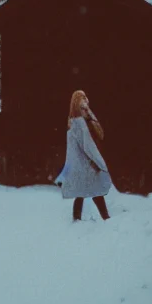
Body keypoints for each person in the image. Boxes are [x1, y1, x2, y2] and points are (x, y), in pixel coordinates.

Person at [58, 90, 111, 221]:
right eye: (84, 106)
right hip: (87, 164)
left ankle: (76, 219)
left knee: (82, 192)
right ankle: (106, 218)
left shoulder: (71, 122)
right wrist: (100, 163)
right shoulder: (80, 123)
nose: (86, 108)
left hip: (78, 164)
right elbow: (88, 146)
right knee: (96, 191)